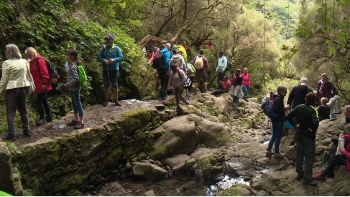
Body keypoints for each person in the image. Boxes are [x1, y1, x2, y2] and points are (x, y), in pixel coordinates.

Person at [285, 92, 319, 186]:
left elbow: (288, 116)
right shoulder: (313, 110)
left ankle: (300, 173)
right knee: (309, 156)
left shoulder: (299, 107)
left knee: (299, 154)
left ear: (305, 99)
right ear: (314, 100)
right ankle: (307, 178)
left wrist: (295, 125)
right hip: (308, 136)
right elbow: (316, 122)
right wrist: (313, 131)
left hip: (299, 133)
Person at [0, 44, 32, 140]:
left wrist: (0, 89)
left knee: (11, 112)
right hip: (23, 88)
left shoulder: (7, 63)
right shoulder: (24, 62)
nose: (5, 53)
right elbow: (27, 75)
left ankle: (12, 134)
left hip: (11, 89)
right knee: (23, 110)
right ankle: (27, 130)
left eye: (6, 51)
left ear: (10, 52)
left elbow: (4, 79)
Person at [25, 47, 53, 126]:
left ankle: (42, 118)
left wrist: (44, 83)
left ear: (30, 54)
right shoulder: (32, 62)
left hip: (43, 85)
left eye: (26, 54)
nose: (25, 56)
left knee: (38, 101)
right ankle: (49, 116)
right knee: (44, 101)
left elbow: (45, 73)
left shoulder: (39, 61)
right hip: (38, 85)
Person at [59, 49, 84, 129]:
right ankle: (76, 119)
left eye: (68, 55)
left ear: (72, 56)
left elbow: (76, 78)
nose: (67, 56)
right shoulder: (72, 65)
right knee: (74, 103)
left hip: (75, 88)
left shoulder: (73, 65)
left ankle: (81, 121)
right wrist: (66, 67)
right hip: (72, 88)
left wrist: (66, 85)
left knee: (78, 103)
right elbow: (71, 74)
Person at [97, 35, 124, 106]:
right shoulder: (104, 48)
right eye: (106, 40)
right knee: (106, 84)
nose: (107, 42)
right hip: (106, 69)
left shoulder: (116, 48)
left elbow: (121, 57)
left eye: (109, 40)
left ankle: (116, 100)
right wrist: (104, 60)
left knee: (115, 84)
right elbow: (99, 58)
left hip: (114, 69)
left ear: (112, 40)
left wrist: (114, 60)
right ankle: (106, 100)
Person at [266, 86, 289, 158]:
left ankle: (269, 150)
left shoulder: (275, 97)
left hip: (274, 119)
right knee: (278, 136)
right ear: (281, 91)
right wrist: (285, 108)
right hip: (278, 120)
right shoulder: (279, 99)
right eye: (285, 91)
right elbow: (277, 110)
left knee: (274, 135)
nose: (286, 93)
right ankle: (277, 152)